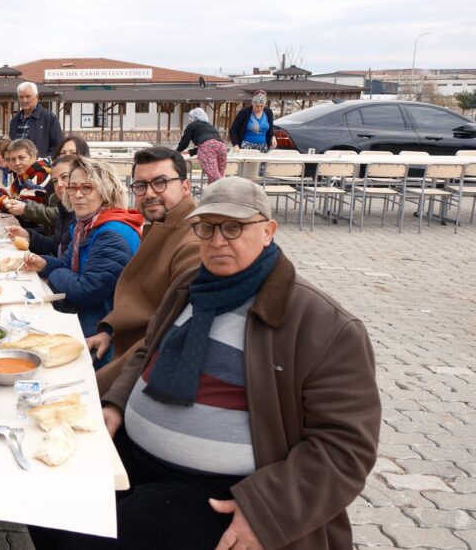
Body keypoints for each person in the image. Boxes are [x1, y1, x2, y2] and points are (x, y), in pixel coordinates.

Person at [30, 177, 381, 550]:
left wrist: (267, 509)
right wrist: (115, 402)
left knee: (88, 540)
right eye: (206, 227)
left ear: (268, 231)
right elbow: (150, 351)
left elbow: (346, 446)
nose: (217, 241)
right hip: (134, 451)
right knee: (41, 503)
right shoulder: (191, 285)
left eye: (233, 227)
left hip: (217, 487)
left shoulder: (320, 323)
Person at [85, 147, 201, 394]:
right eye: (140, 185)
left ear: (186, 186)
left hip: (145, 373)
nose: (149, 193)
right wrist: (108, 330)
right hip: (123, 344)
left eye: (160, 183)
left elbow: (164, 338)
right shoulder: (164, 225)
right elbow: (142, 297)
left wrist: (95, 389)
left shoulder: (194, 243)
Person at [22, 158, 143, 367]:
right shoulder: (84, 226)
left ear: (106, 191)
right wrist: (43, 264)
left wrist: (51, 273)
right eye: (73, 188)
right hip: (85, 320)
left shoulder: (111, 233)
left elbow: (86, 291)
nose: (77, 194)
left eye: (87, 188)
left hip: (104, 337)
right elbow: (67, 265)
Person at [6, 155, 76, 257]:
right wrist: (28, 235)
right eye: (55, 181)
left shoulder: (89, 218)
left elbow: (66, 264)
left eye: (65, 176)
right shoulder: (62, 204)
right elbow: (57, 246)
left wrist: (26, 208)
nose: (59, 184)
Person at [0, 139, 53, 216]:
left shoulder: (39, 176)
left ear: (33, 157)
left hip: (36, 227)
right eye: (13, 159)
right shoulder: (25, 173)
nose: (17, 163)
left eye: (21, 158)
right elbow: (11, 195)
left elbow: (21, 210)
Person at [8, 81, 63, 159]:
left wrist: (43, 162)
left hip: (41, 168)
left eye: (28, 96)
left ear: (36, 96)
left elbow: (58, 146)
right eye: (21, 97)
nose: (24, 100)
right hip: (18, 167)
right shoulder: (15, 120)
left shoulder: (49, 118)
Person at [177, 107, 228, 184]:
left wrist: (177, 152)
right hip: (222, 146)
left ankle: (225, 191)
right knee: (219, 174)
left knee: (214, 176)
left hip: (207, 147)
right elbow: (210, 143)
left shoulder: (192, 125)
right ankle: (213, 194)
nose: (190, 120)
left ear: (193, 117)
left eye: (190, 118)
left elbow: (184, 143)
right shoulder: (209, 126)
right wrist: (190, 152)